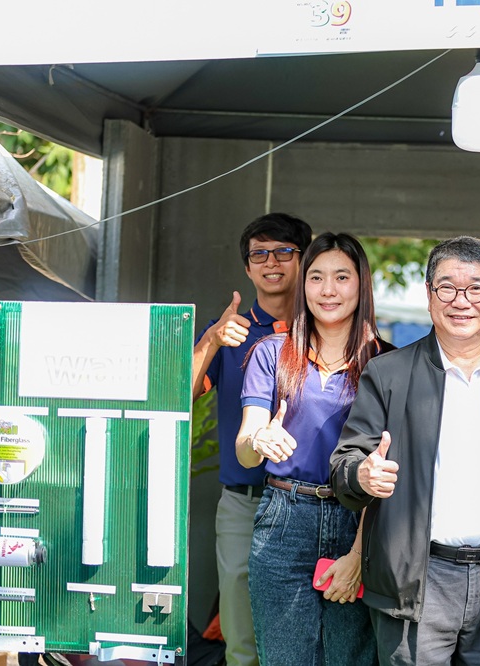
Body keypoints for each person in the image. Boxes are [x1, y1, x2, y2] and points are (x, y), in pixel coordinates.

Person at [330, 236, 480, 666]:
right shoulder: (388, 373)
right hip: (415, 582)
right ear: (429, 294)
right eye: (447, 288)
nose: (461, 301)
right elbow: (346, 464)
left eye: (475, 288)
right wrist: (361, 474)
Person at [235, 232, 391, 666]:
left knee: (349, 659)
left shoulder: (388, 363)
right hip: (284, 518)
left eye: (341, 277)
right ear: (303, 285)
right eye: (316, 277)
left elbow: (388, 473)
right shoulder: (272, 353)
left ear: (361, 284)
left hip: (358, 521)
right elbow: (245, 449)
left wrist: (358, 554)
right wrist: (258, 440)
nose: (328, 290)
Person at [190, 212, 312, 666]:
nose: (271, 262)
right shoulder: (230, 331)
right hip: (245, 501)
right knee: (241, 637)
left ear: (304, 260)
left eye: (284, 251)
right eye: (259, 254)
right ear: (247, 267)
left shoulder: (327, 327)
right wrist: (211, 341)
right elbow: (176, 395)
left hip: (312, 502)